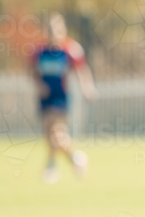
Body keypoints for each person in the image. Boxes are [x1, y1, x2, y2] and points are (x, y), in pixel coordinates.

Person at [30, 13, 97, 184]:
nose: (53, 33)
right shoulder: (40, 51)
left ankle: (51, 167)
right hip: (45, 97)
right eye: (50, 30)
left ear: (63, 30)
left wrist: (86, 87)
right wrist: (38, 85)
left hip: (60, 97)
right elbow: (32, 71)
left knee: (57, 132)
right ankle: (75, 158)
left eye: (56, 30)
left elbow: (82, 70)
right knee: (49, 134)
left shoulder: (69, 50)